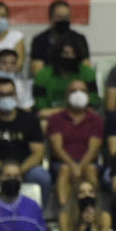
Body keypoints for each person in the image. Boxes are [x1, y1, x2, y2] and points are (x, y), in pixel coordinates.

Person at [46, 79, 103, 207]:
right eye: (74, 91)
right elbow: (57, 148)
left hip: (88, 162)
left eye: (82, 91)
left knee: (91, 169)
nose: (78, 94)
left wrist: (79, 167)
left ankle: (93, 211)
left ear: (88, 95)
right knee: (65, 170)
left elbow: (93, 149)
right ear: (66, 95)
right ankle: (65, 212)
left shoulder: (95, 119)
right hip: (62, 162)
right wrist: (73, 166)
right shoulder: (56, 119)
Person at [29, 0, 91, 76]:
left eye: (66, 17)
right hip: (49, 82)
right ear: (51, 18)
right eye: (59, 17)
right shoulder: (40, 40)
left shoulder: (79, 39)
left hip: (74, 81)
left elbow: (86, 67)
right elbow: (37, 70)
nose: (63, 20)